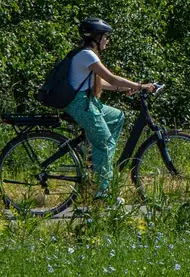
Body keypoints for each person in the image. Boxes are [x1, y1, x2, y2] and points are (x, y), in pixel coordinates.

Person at [65, 17, 155, 200]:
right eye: (106, 37)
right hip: (82, 105)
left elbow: (104, 83)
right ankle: (103, 193)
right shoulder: (87, 55)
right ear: (96, 38)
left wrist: (125, 88)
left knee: (116, 116)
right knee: (106, 143)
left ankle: (99, 159)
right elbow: (112, 78)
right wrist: (140, 86)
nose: (108, 41)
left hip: (88, 102)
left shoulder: (85, 54)